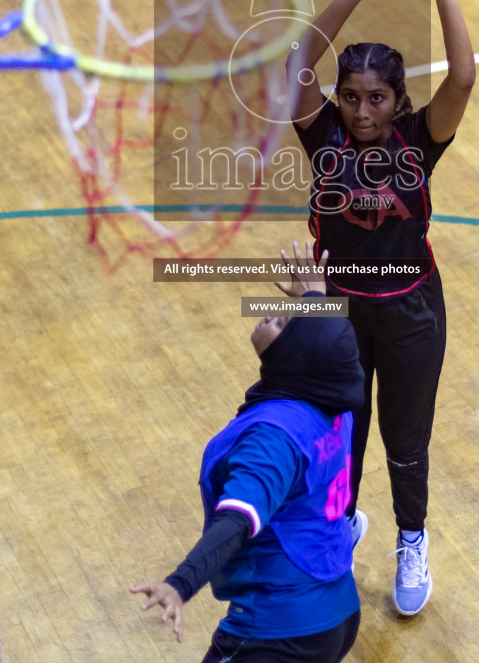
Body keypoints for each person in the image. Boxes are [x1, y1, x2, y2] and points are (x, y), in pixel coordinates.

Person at [285, 0, 476, 616]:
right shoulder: (323, 137)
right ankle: (337, 531)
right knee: (338, 442)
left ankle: (412, 538)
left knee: (405, 441)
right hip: (336, 311)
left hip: (411, 311)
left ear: (399, 102)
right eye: (352, 98)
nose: (362, 111)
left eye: (376, 99)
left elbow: (461, 78)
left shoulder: (421, 142)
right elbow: (293, 72)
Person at [131, 242, 365, 662]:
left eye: (290, 324)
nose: (275, 314)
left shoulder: (274, 440)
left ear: (299, 357)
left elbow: (237, 521)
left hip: (276, 634)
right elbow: (332, 352)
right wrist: (315, 301)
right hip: (335, 612)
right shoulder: (334, 407)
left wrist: (180, 584)